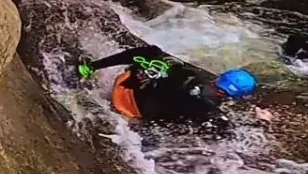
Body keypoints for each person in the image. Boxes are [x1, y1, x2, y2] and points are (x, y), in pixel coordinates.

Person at [77, 44, 258, 125]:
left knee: (153, 53)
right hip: (139, 114)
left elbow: (162, 63)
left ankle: (90, 67)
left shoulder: (189, 75)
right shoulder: (212, 112)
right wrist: (259, 123)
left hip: (127, 92)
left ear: (218, 78)